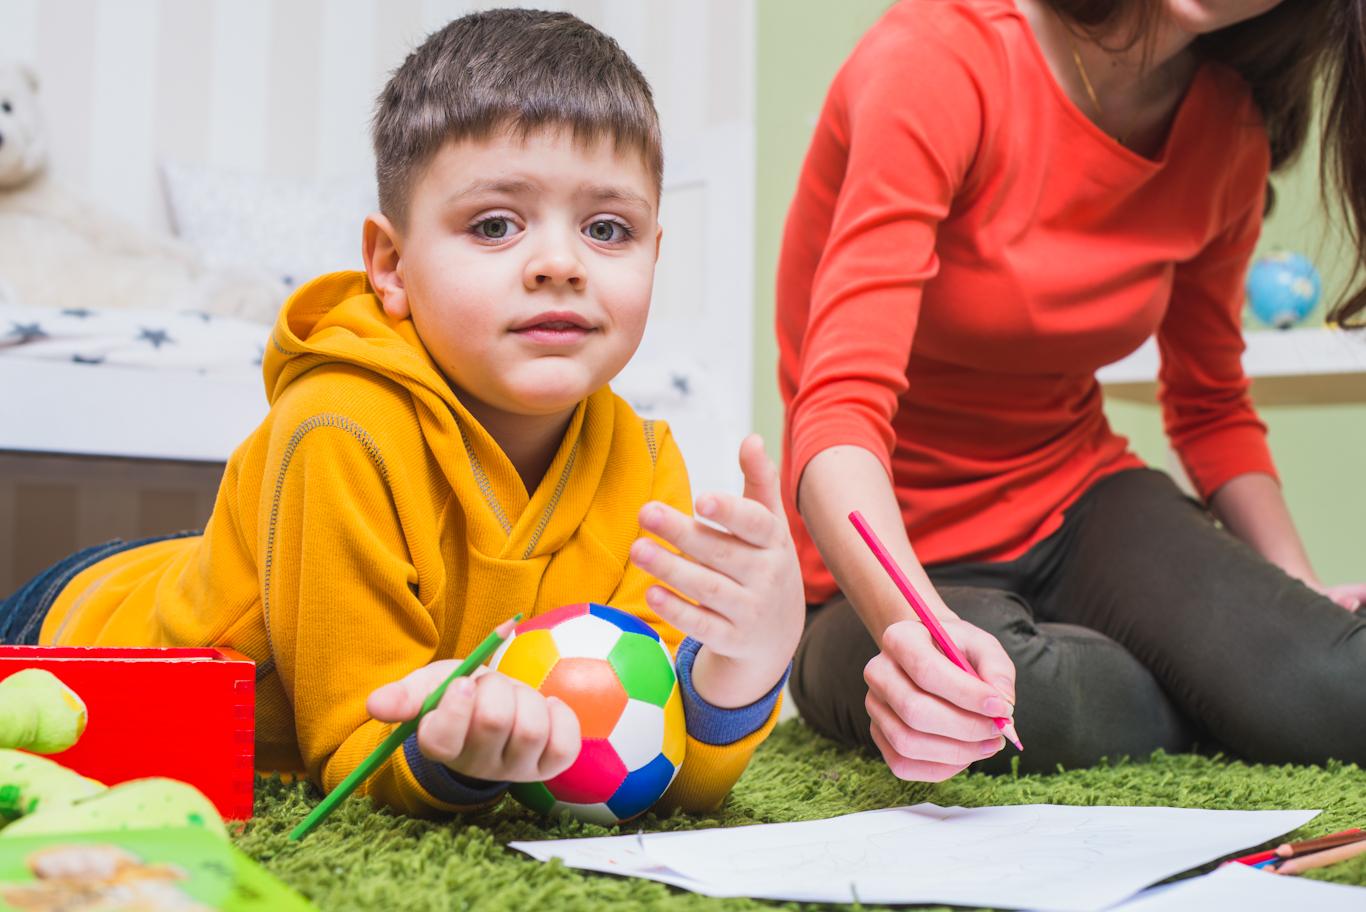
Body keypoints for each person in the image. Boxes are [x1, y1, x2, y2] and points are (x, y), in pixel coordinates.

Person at [0, 10, 805, 818]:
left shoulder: (646, 460)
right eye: (495, 225)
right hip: (74, 636)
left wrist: (745, 666)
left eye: (607, 229)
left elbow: (656, 772)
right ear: (390, 265)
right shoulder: (337, 428)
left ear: (654, 254)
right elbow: (352, 745)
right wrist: (440, 752)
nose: (560, 263)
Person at [779, 0, 1366, 781]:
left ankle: (1222, 684)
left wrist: (1299, 599)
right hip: (888, 557)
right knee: (998, 701)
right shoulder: (939, 57)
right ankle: (1212, 694)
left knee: (1334, 688)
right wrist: (908, 632)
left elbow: (1211, 403)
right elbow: (838, 409)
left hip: (1083, 504)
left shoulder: (1228, 129)